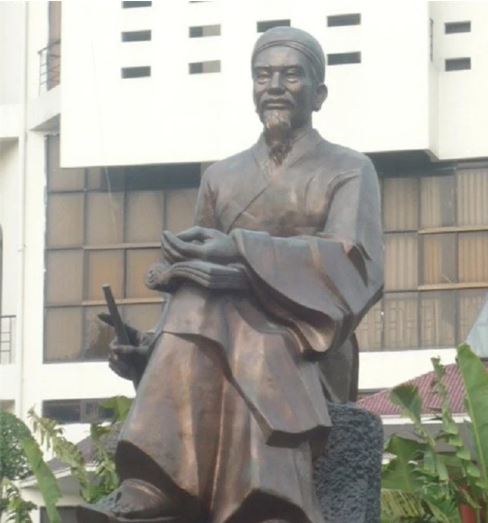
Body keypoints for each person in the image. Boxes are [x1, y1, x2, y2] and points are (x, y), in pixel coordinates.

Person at [78, 26, 383, 523]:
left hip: (307, 338)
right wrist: (149, 348)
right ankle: (154, 481)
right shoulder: (221, 177)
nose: (275, 86)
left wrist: (241, 255)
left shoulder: (349, 169)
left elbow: (352, 263)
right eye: (264, 76)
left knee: (253, 333)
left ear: (319, 94)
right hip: (212, 329)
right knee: (198, 296)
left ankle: (271, 497)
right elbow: (192, 278)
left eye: (291, 76)